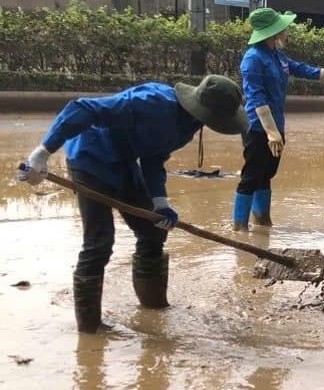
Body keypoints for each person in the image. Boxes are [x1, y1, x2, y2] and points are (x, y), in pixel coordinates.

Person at [15, 76, 249, 332]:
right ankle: (90, 329)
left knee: (153, 231)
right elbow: (82, 108)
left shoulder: (188, 125)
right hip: (90, 156)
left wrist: (159, 202)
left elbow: (153, 157)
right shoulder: (150, 102)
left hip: (124, 161)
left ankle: (154, 307)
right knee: (99, 242)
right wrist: (42, 152)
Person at [232, 7, 324, 231]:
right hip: (258, 128)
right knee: (251, 175)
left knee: (266, 173)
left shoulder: (276, 55)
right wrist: (271, 131)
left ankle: (262, 221)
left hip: (276, 124)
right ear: (273, 33)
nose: (287, 32)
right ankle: (239, 228)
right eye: (283, 29)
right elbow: (256, 98)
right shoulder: (253, 60)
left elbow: (306, 70)